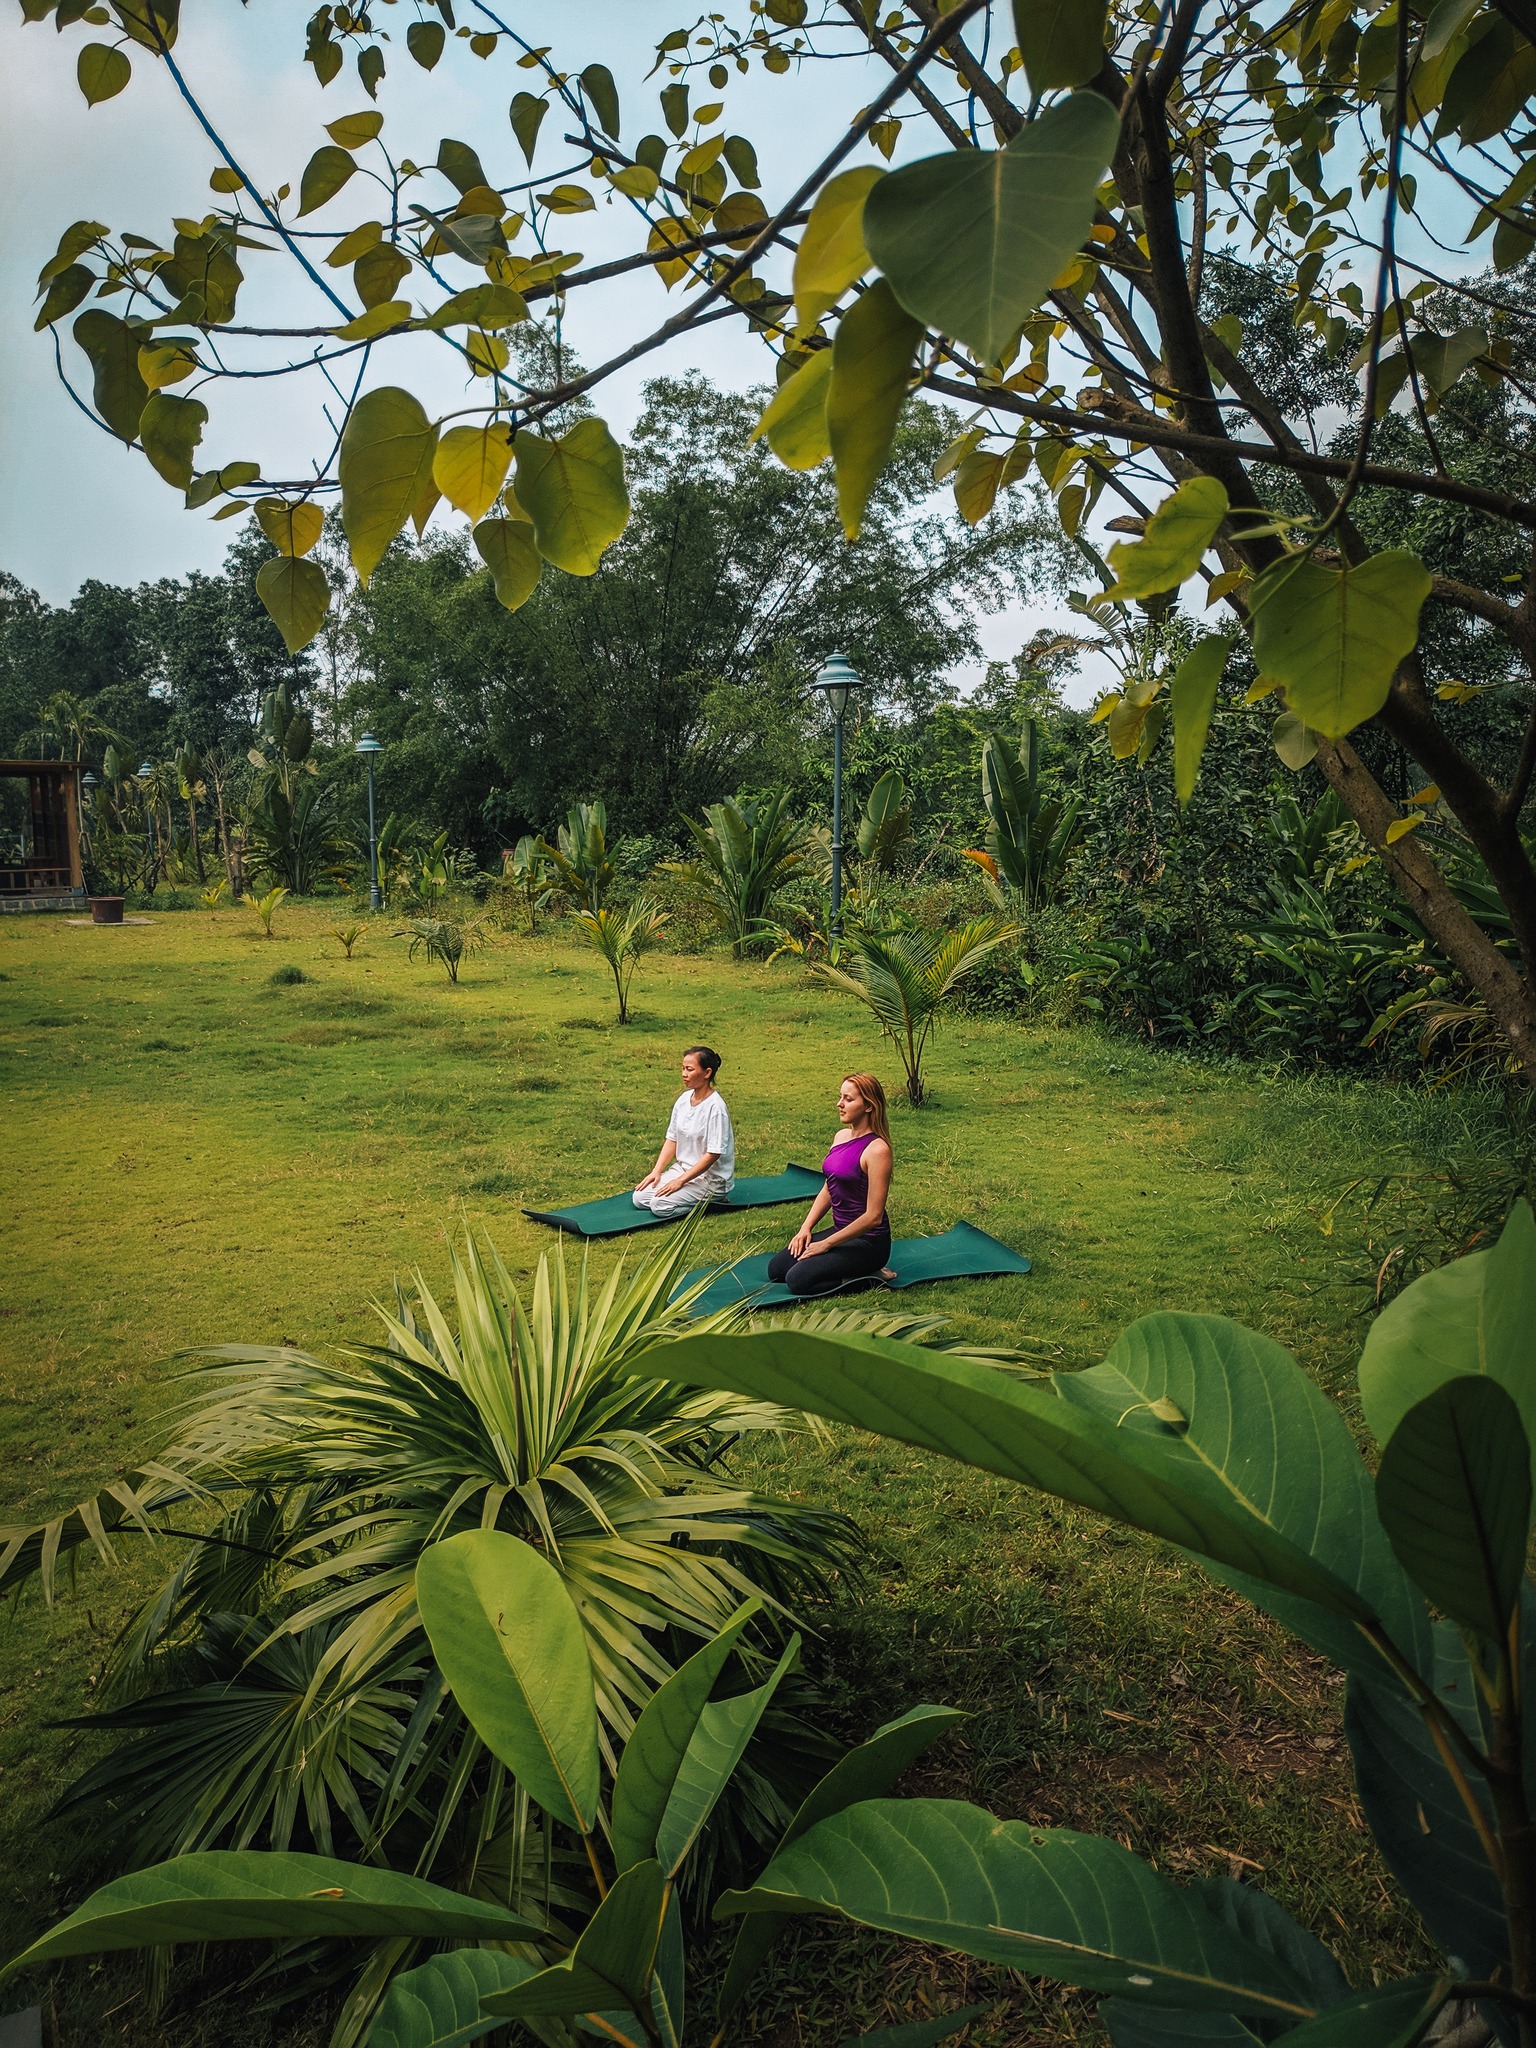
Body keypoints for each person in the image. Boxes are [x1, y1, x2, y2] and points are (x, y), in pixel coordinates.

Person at [768, 1072, 893, 1298]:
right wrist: (805, 1228)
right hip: (840, 1230)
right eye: (840, 1097)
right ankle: (851, 1266)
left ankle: (867, 1276)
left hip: (869, 1242)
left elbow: (874, 1216)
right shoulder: (841, 1136)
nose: (839, 1104)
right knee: (777, 1270)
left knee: (798, 1280)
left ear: (868, 1106)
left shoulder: (877, 1150)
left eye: (848, 1099)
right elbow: (829, 1186)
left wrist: (826, 1244)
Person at [633, 1045, 736, 1219]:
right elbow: (672, 1138)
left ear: (707, 1073)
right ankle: (693, 1198)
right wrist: (656, 1171)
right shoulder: (683, 1100)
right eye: (683, 1068)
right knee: (640, 1198)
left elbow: (713, 1153)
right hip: (683, 1169)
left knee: (660, 1206)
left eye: (689, 1069)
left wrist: (680, 1181)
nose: (684, 1074)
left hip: (711, 1180)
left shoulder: (716, 1108)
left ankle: (713, 1203)